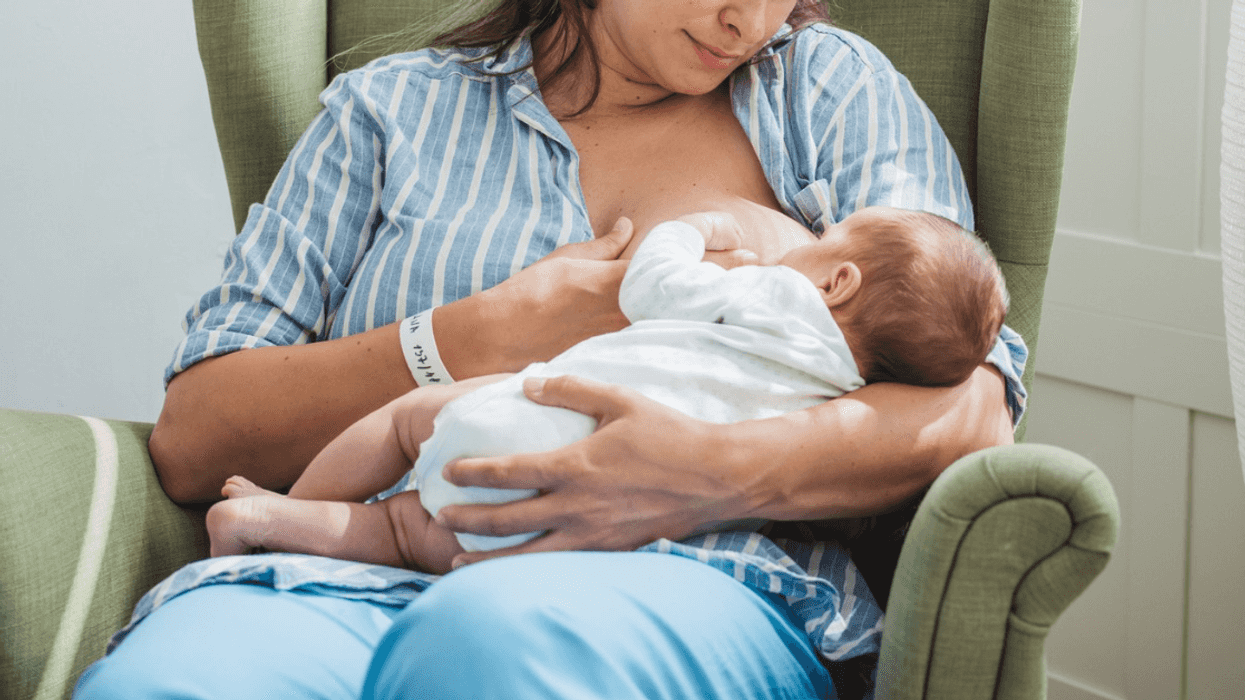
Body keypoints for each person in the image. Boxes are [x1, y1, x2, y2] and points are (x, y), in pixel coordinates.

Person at [75, 1, 1028, 699]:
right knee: (159, 686)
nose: (748, 20)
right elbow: (195, 437)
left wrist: (712, 471)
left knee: (485, 642)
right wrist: (470, 335)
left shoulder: (823, 89)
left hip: (693, 578)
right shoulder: (385, 113)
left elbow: (970, 404)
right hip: (336, 575)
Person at [205, 204, 1008, 571]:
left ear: (835, 281)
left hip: (533, 407)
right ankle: (319, 531)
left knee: (409, 422)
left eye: (822, 231)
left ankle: (285, 509)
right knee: (410, 538)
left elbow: (650, 287)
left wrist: (692, 232)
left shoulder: (771, 290)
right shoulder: (839, 387)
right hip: (588, 546)